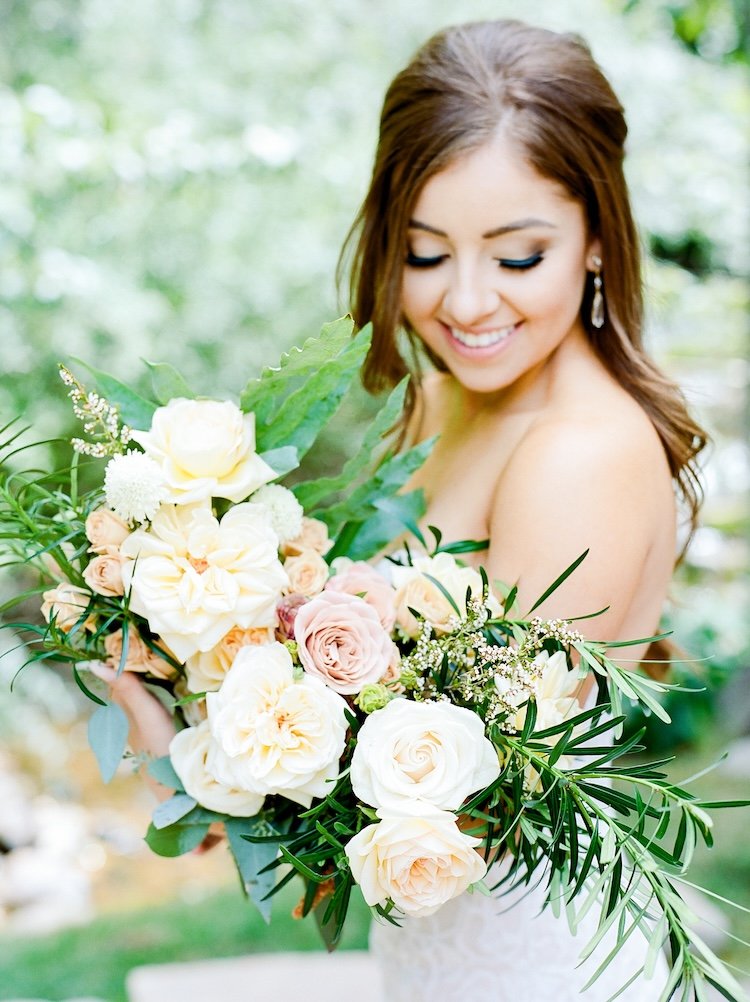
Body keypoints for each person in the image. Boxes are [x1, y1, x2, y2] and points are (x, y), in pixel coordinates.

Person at [99, 18, 707, 1001]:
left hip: (536, 971)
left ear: (597, 238)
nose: (467, 303)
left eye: (518, 258)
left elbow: (460, 826)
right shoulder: (444, 398)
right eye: (426, 255)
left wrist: (187, 760)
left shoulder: (576, 453)